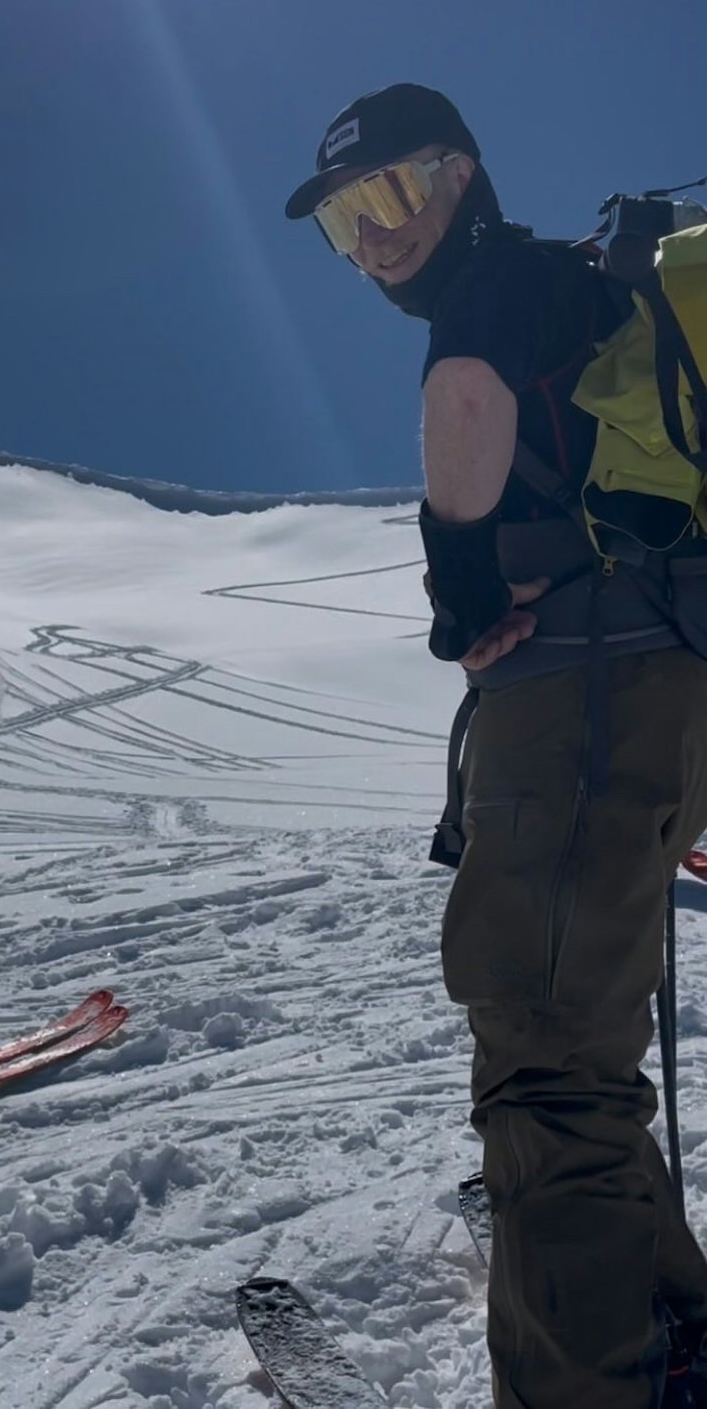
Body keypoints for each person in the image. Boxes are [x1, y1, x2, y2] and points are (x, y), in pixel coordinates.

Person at [286, 84, 707, 1407]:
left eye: (393, 196)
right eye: (346, 223)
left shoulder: (505, 278)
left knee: (544, 1047)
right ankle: (661, 1317)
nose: (376, 238)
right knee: (587, 1034)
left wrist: (459, 582)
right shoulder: (583, 289)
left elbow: (467, 392)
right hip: (656, 677)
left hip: (581, 688)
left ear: (460, 177)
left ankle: (587, 1381)